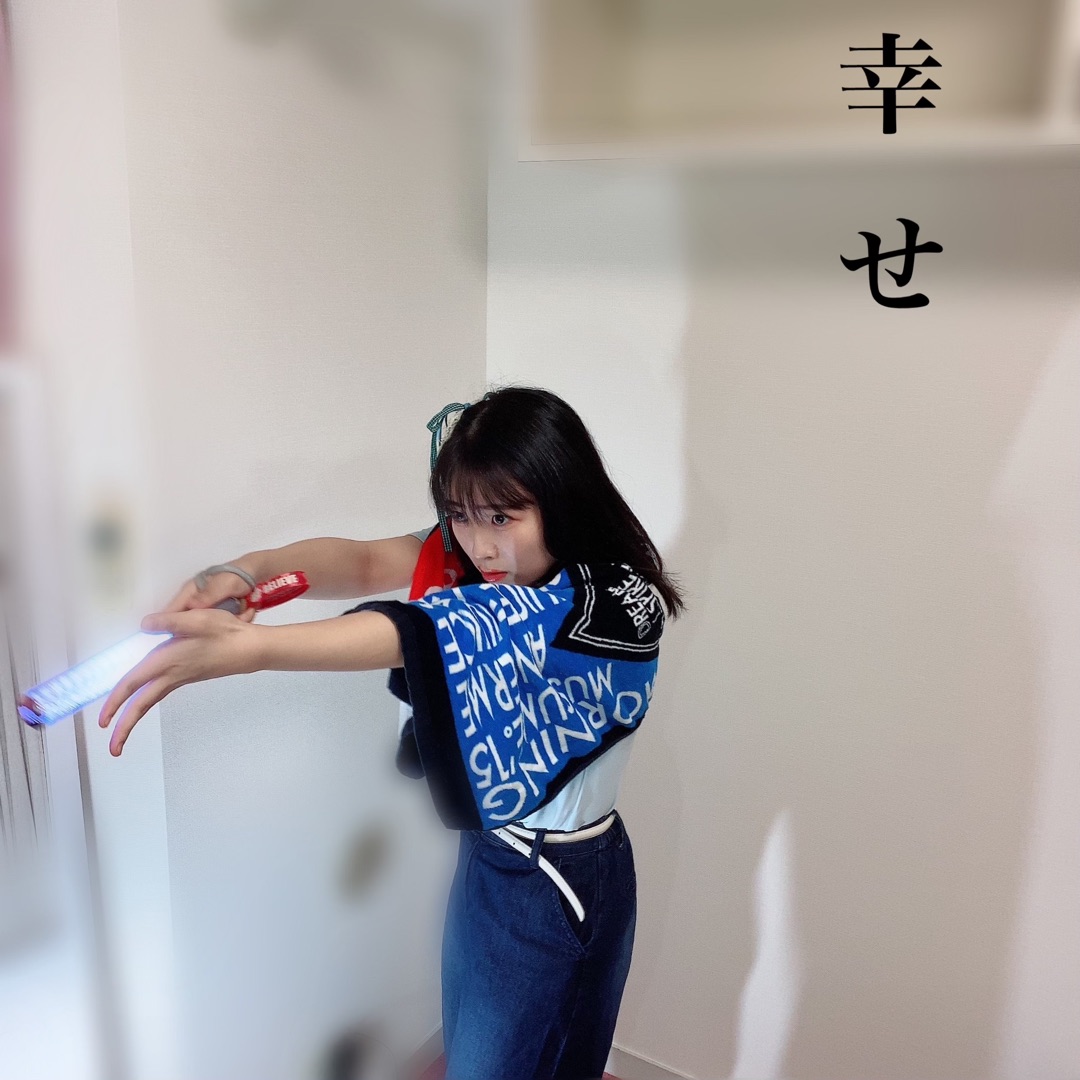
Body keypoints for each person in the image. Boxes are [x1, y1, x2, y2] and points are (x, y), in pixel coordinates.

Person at [98, 386, 685, 1080]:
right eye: (461, 514)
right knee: (476, 1056)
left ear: (563, 495)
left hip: (560, 877)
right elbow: (370, 562)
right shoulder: (488, 560)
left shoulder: (616, 601)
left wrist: (253, 650)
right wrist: (249, 570)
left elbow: (442, 631)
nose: (479, 543)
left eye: (503, 515)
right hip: (492, 852)